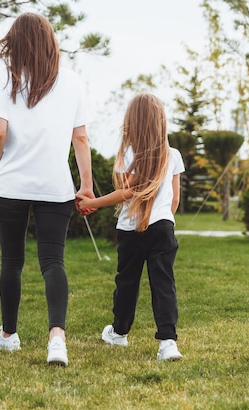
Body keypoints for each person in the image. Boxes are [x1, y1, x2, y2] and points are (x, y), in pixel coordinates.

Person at [0, 12, 94, 367]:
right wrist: (87, 185)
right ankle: (56, 339)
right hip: (55, 185)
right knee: (53, 261)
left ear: (17, 42)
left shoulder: (7, 78)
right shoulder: (72, 81)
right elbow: (81, 137)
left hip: (12, 184)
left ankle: (9, 336)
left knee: (12, 261)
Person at [76, 92, 185, 361]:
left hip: (130, 230)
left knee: (127, 282)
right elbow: (174, 200)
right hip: (163, 229)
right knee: (163, 284)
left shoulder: (128, 154)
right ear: (161, 121)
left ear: (132, 122)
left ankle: (119, 333)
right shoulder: (173, 155)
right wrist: (163, 219)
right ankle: (168, 342)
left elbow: (127, 193)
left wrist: (93, 202)